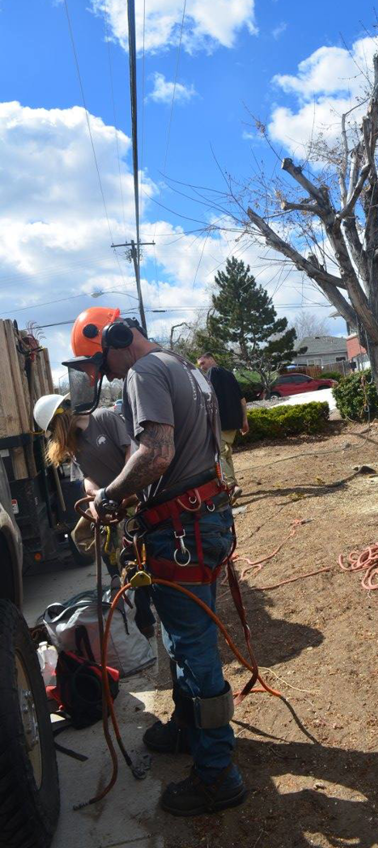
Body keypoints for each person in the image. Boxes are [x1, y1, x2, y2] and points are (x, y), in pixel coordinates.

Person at [62, 307, 245, 817]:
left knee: (193, 649)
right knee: (179, 637)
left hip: (183, 530)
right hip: (197, 521)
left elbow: (156, 453)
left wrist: (108, 499)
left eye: (99, 365)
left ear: (117, 339)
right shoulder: (181, 364)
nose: (103, 377)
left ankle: (217, 774)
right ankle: (189, 730)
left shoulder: (143, 372)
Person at [32, 393, 156, 636]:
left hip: (134, 500)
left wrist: (122, 492)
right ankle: (138, 623)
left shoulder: (104, 418)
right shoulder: (75, 444)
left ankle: (147, 616)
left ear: (60, 419)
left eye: (52, 431)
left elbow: (132, 453)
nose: (54, 439)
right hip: (109, 506)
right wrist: (94, 497)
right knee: (114, 564)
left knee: (136, 562)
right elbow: (87, 477)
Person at [196, 352, 249, 499]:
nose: (202, 367)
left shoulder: (212, 373)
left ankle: (231, 486)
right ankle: (233, 484)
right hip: (233, 422)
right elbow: (242, 400)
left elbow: (208, 397)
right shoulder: (230, 374)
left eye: (203, 363)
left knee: (219, 455)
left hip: (220, 422)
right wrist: (244, 421)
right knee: (226, 454)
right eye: (200, 365)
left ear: (212, 359)